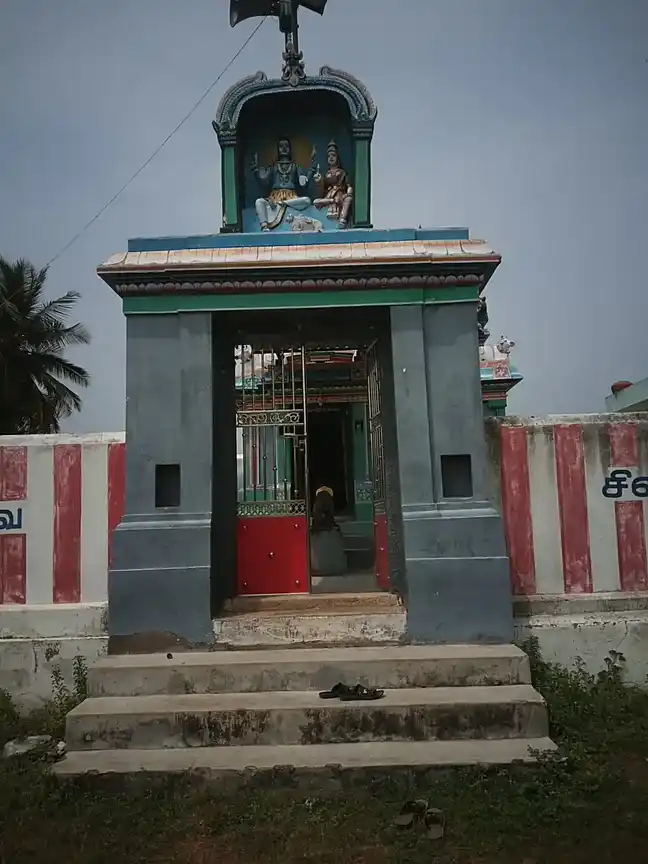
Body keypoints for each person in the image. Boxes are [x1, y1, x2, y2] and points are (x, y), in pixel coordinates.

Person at [252, 137, 317, 230]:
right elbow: (264, 183)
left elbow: (303, 185)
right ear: (277, 149)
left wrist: (312, 169)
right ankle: (264, 226)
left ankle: (283, 203)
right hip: (273, 198)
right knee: (258, 202)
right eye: (281, 146)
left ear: (290, 149)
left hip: (292, 198)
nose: (284, 148)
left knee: (307, 200)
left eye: (286, 146)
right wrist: (255, 171)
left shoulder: (295, 166)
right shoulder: (274, 166)